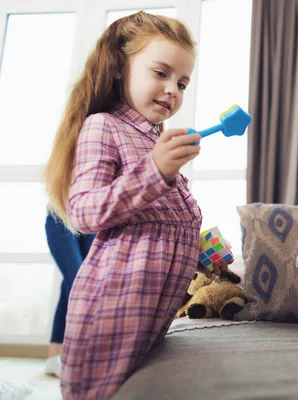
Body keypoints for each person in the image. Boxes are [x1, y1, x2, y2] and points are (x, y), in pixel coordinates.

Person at [43, 11, 230, 399]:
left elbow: (163, 222)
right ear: (117, 68)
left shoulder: (152, 140)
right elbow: (84, 210)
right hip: (116, 301)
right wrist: (155, 170)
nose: (173, 90)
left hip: (154, 307)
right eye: (160, 74)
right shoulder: (103, 126)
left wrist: (203, 251)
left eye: (181, 82)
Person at [44, 211, 96, 378]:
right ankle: (82, 358)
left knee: (68, 290)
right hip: (61, 218)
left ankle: (53, 358)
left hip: (91, 222)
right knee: (78, 284)